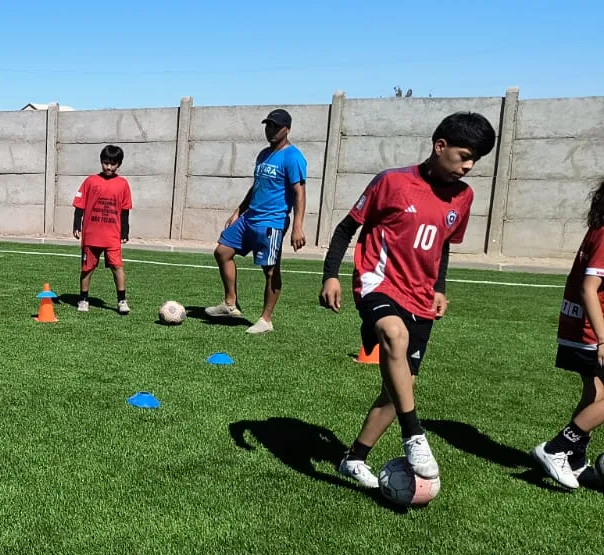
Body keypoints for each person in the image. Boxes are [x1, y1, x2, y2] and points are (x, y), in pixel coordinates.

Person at [319, 112, 496, 490]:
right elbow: (346, 227)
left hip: (421, 295)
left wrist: (439, 287)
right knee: (394, 337)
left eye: (475, 160)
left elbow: (444, 245)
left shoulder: (464, 197)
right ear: (440, 146)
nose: (468, 167)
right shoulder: (392, 181)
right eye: (464, 155)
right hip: (377, 282)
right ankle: (414, 435)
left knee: (399, 387)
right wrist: (330, 274)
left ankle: (354, 458)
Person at [206, 109, 308, 334]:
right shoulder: (263, 154)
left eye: (276, 126)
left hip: (272, 222)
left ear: (287, 129)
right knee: (222, 252)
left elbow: (299, 193)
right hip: (250, 217)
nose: (270, 130)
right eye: (268, 125)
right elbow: (256, 187)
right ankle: (230, 304)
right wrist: (238, 211)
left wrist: (298, 226)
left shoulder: (293, 157)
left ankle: (266, 320)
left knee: (270, 270)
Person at [532, 177, 604, 490]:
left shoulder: (599, 229)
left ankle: (574, 459)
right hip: (590, 330)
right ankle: (557, 449)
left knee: (595, 394)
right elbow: (590, 289)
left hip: (579, 326)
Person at [72, 145, 133, 314]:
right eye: (106, 163)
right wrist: (77, 225)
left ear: (118, 164)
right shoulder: (90, 181)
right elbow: (80, 205)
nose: (109, 167)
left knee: (117, 267)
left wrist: (125, 231)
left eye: (113, 164)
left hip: (112, 236)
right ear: (101, 162)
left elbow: (125, 210)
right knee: (87, 268)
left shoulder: (123, 184)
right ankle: (83, 299)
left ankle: (122, 300)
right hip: (91, 235)